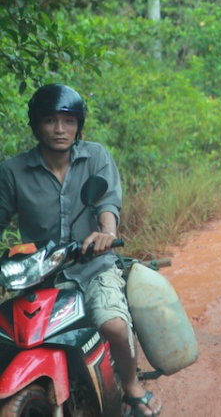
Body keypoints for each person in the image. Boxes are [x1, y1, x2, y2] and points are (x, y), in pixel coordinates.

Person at [0, 84, 162, 417]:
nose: (60, 130)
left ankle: (132, 389)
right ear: (35, 125)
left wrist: (106, 233)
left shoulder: (96, 156)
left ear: (79, 124)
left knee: (113, 324)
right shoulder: (13, 172)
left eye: (69, 121)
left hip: (93, 266)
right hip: (38, 274)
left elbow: (107, 202)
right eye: (50, 121)